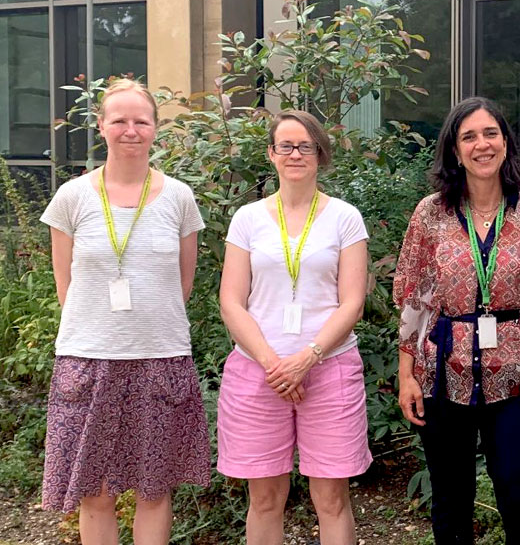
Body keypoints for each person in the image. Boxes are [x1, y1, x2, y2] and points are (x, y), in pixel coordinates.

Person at [41, 78, 209, 545]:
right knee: (94, 491)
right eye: (119, 120)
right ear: (101, 126)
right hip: (88, 359)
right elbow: (65, 285)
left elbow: (183, 283)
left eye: (141, 120)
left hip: (160, 357)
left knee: (154, 489)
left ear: (155, 127)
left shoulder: (179, 197)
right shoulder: (72, 197)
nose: (130, 130)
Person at [393, 97, 520, 545]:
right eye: (469, 137)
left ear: (505, 142)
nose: (481, 145)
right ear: (454, 150)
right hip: (443, 374)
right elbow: (413, 299)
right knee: (451, 501)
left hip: (516, 376)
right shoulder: (431, 213)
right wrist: (406, 373)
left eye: (490, 133)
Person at [216, 110, 372, 545]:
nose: (295, 154)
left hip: (330, 368)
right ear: (271, 153)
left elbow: (352, 302)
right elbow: (231, 301)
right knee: (265, 500)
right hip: (257, 372)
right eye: (285, 145)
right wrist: (274, 364)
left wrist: (307, 358)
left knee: (332, 500)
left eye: (306, 146)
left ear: (320, 154)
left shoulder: (344, 218)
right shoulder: (247, 219)